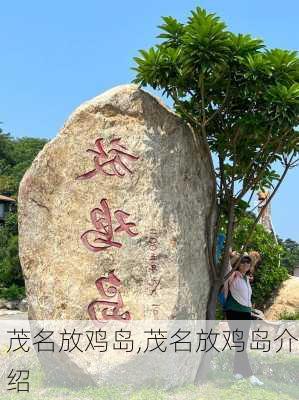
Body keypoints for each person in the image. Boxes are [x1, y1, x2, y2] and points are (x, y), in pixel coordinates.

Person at [223, 254, 264, 386]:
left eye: (248, 263)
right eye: (243, 262)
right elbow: (228, 267)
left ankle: (237, 372)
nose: (246, 265)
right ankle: (250, 375)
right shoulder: (233, 275)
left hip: (245, 314)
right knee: (240, 343)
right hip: (234, 312)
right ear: (238, 264)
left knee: (241, 344)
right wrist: (233, 256)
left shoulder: (246, 279)